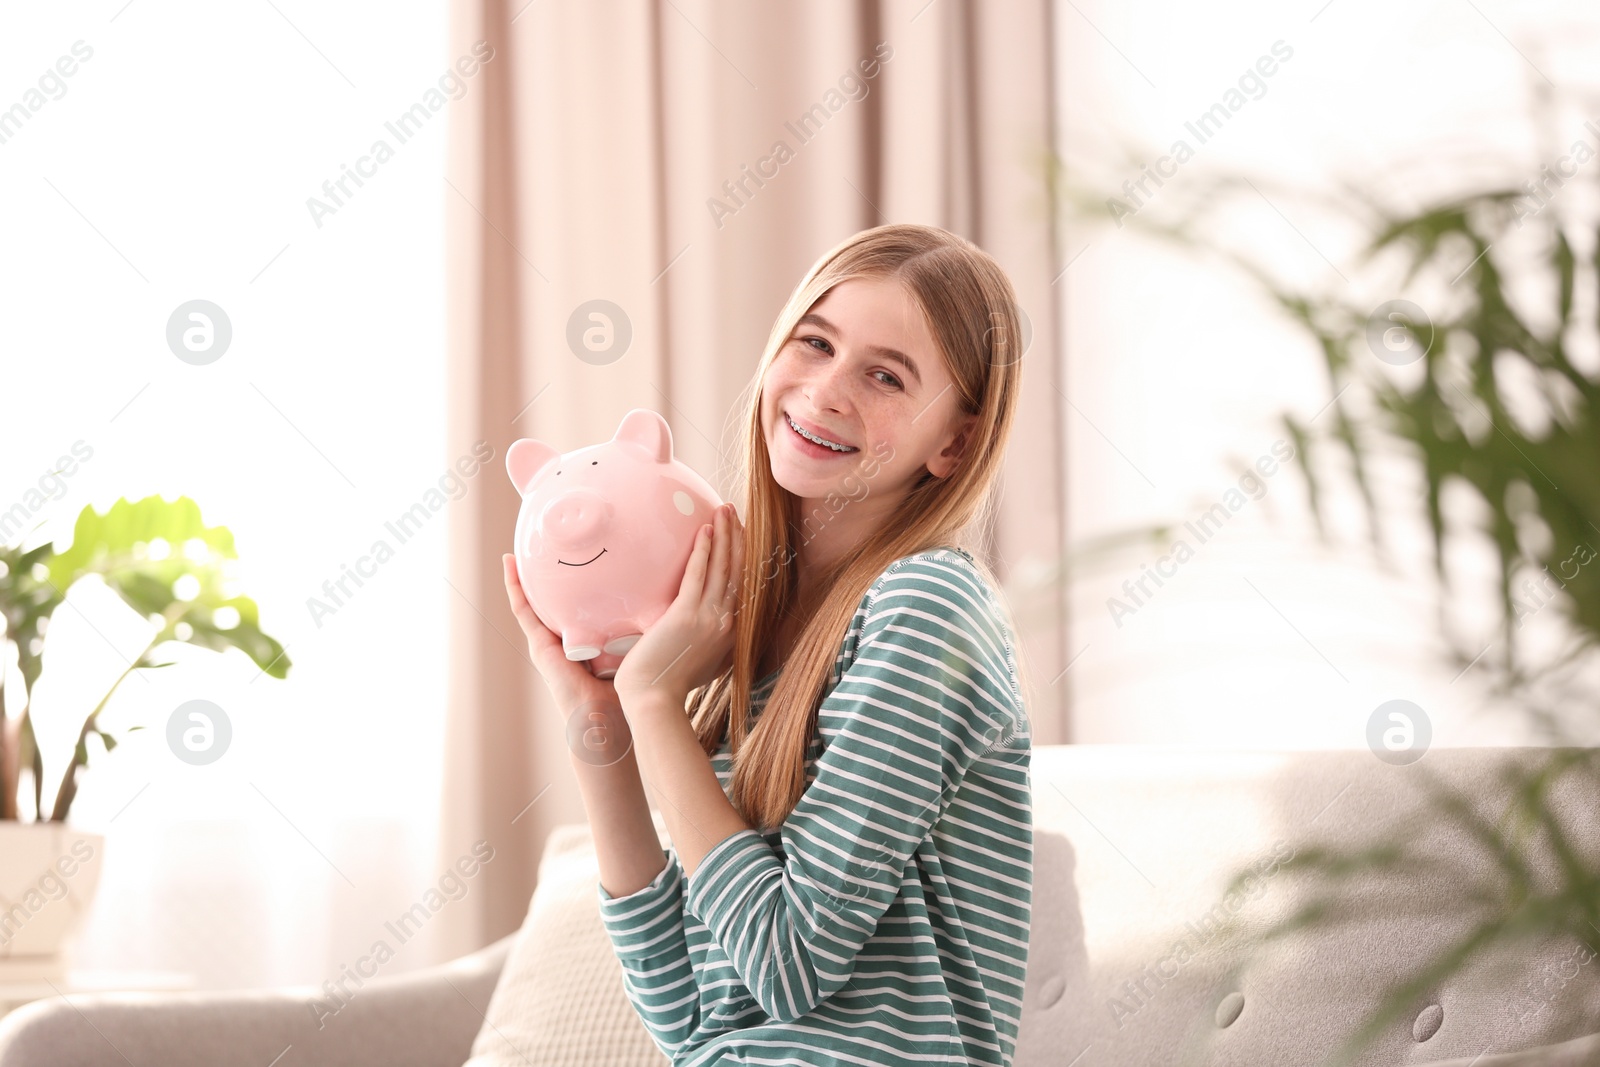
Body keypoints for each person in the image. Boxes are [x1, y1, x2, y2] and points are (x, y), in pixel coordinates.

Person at [502, 222, 1034, 1066]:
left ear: (955, 442)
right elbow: (689, 1022)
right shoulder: (732, 629)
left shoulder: (928, 606)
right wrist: (603, 727)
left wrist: (654, 704)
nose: (824, 392)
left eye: (885, 376)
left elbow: (789, 966)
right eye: (814, 342)